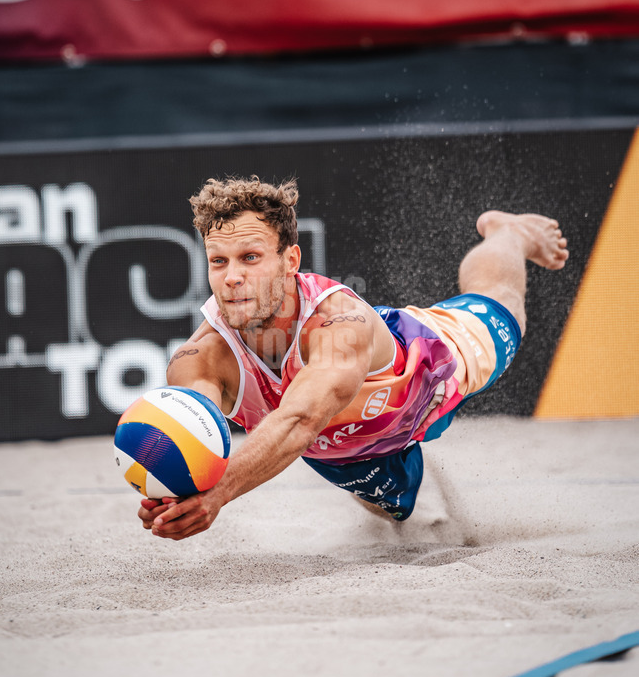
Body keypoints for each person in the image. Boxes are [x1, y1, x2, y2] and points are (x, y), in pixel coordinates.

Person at [139, 176, 568, 541]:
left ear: (290, 260)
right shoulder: (199, 358)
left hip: (428, 375)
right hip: (351, 450)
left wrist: (217, 495)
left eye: (250, 257)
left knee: (502, 303)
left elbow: (299, 421)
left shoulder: (339, 326)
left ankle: (507, 233)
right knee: (395, 511)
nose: (232, 277)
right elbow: (190, 428)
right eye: (218, 261)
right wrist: (174, 492)